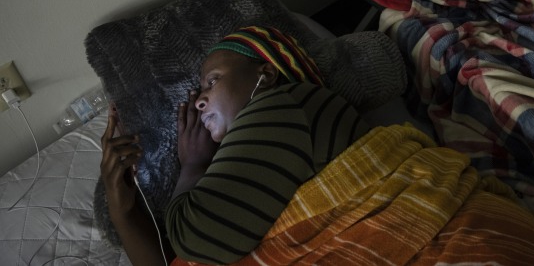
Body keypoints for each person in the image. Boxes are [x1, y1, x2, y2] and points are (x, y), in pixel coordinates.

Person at [100, 25, 370, 265]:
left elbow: (195, 238)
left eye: (213, 81)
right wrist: (123, 211)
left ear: (266, 74)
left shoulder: (285, 104)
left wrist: (194, 165)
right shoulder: (279, 137)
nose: (198, 101)